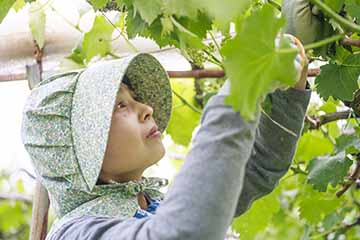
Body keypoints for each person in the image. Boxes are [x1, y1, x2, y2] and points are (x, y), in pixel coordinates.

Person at [21, 1, 321, 239]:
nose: (146, 108)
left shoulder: (155, 206)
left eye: (135, 98)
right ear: (81, 147)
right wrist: (244, 84)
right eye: (120, 106)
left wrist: (290, 78)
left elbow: (257, 168)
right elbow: (186, 231)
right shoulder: (78, 234)